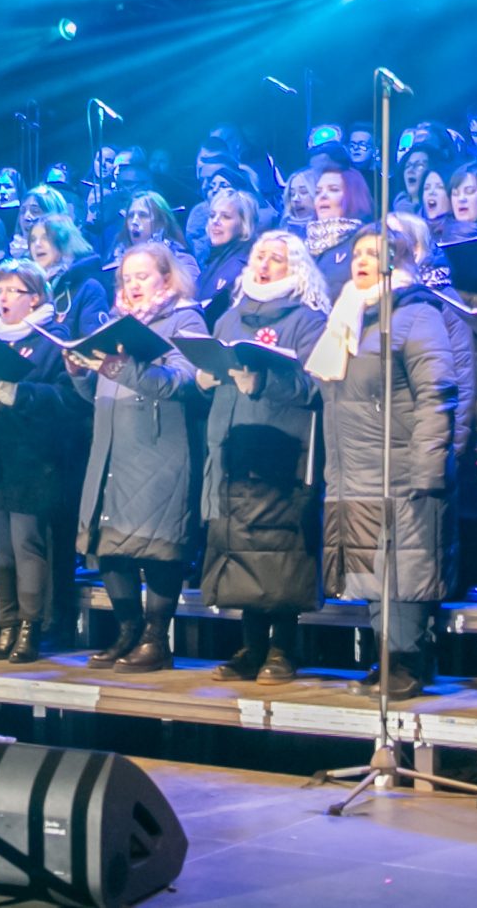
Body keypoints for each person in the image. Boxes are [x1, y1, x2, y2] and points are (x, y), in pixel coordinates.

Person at [311, 214, 469, 700]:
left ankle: (409, 659)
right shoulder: (346, 315)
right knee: (371, 570)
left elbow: (437, 394)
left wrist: (429, 464)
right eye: (357, 253)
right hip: (354, 466)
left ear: (398, 260)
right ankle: (385, 655)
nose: (361, 261)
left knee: (406, 568)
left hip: (400, 465)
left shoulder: (417, 313)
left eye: (373, 253)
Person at [68, 241, 207, 672]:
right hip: (112, 450)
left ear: (166, 277)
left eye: (142, 276)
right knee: (110, 544)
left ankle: (155, 639)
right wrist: (80, 374)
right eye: (127, 278)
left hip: (159, 451)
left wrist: (119, 367)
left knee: (157, 546)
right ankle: (127, 631)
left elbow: (182, 382)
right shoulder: (115, 326)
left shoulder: (185, 319)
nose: (133, 285)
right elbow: (100, 395)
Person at [197, 232, 328, 685]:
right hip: (232, 447)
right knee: (239, 547)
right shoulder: (229, 318)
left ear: (296, 268)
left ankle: (283, 648)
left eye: (276, 258)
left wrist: (264, 383)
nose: (264, 265)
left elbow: (317, 384)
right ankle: (252, 647)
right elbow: (213, 366)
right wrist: (203, 378)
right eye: (259, 257)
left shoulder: (309, 320)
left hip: (282, 452)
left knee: (280, 553)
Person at [0, 262, 81, 663]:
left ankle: (31, 627)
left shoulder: (53, 341)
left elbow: (70, 401)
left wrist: (22, 395)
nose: (3, 298)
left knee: (27, 545)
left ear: (35, 297)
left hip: (32, 462)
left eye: (13, 290)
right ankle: (6, 625)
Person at [304, 165, 372, 295]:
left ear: (353, 197)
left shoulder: (364, 241)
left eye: (333, 190)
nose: (323, 196)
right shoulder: (303, 245)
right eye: (318, 192)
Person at [194, 189, 257, 307]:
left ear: (244, 224)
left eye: (226, 217)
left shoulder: (242, 267)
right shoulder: (214, 257)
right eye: (212, 215)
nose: (215, 221)